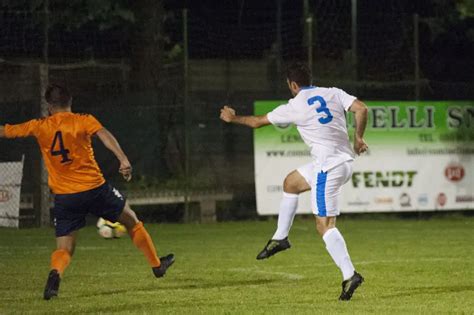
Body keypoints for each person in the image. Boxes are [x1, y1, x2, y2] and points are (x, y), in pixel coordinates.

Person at [0, 84, 175, 300]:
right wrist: (122, 159)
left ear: (48, 105)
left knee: (65, 248)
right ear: (70, 102)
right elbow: (104, 134)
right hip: (95, 190)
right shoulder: (83, 120)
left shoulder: (39, 126)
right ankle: (157, 265)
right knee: (131, 221)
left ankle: (55, 275)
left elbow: (7, 131)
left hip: (65, 198)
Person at [220, 62, 368, 301]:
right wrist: (358, 138)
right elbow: (361, 109)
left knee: (325, 225)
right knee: (291, 183)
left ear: (293, 84)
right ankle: (280, 237)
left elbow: (257, 122)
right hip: (343, 163)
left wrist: (233, 117)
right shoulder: (332, 92)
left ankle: (350, 274)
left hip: (327, 168)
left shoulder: (295, 105)